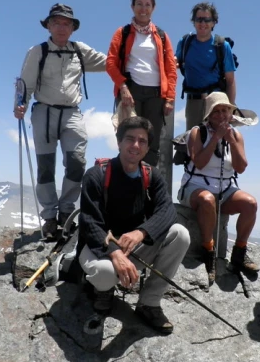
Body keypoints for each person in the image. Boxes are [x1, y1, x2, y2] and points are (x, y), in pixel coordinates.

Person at [78, 116, 189, 335]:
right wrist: (114, 253)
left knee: (181, 235)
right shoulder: (97, 175)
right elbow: (90, 223)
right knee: (105, 272)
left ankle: (149, 303)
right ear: (119, 142)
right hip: (98, 248)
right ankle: (103, 290)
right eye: (130, 139)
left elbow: (167, 211)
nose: (135, 145)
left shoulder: (151, 176)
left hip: (133, 247)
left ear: (147, 147)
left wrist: (142, 232)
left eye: (142, 141)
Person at [15, 3, 107, 239]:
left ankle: (66, 212)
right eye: (56, 22)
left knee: (76, 161)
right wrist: (20, 103)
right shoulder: (38, 51)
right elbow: (25, 82)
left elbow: (109, 62)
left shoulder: (80, 50)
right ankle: (49, 217)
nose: (61, 27)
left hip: (72, 112)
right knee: (46, 166)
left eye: (66, 23)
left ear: (73, 28)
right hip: (44, 111)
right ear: (48, 25)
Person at [178, 92, 259, 286]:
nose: (222, 115)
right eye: (217, 111)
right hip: (196, 187)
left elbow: (241, 167)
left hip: (225, 188)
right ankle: (209, 251)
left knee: (250, 204)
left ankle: (239, 252)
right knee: (207, 200)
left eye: (226, 110)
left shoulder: (236, 135)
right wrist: (216, 138)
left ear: (231, 114)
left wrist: (230, 140)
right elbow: (199, 162)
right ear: (209, 115)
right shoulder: (198, 133)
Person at [106, 0, 178, 171]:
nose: (143, 8)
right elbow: (111, 63)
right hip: (131, 91)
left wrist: (169, 98)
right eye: (139, 4)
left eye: (147, 5)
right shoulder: (122, 33)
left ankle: (146, 188)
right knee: (128, 139)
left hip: (156, 95)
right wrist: (123, 87)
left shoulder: (162, 36)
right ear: (132, 7)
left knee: (151, 142)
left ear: (153, 8)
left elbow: (171, 69)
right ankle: (125, 184)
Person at [176, 2, 237, 130]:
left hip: (217, 103)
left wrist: (230, 109)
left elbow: (230, 81)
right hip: (194, 102)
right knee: (193, 144)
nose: (202, 23)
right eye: (199, 19)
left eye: (207, 19)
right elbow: (174, 64)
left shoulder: (222, 46)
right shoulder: (185, 42)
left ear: (214, 22)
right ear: (193, 21)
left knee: (217, 145)